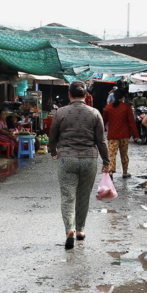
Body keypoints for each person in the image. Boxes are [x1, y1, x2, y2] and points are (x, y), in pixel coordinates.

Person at [49, 81, 110, 250]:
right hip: (89, 159)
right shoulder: (95, 113)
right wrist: (106, 161)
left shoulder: (61, 112)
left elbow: (52, 135)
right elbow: (101, 140)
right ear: (86, 96)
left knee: (68, 197)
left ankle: (70, 229)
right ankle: (81, 230)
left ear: (69, 95)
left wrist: (53, 151)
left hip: (67, 158)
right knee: (83, 196)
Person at [102, 87, 139, 178]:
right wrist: (136, 135)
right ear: (122, 97)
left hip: (112, 134)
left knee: (112, 154)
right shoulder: (126, 107)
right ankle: (125, 172)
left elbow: (103, 120)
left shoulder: (108, 107)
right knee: (124, 154)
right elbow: (131, 122)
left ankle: (110, 171)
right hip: (124, 135)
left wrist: (104, 129)